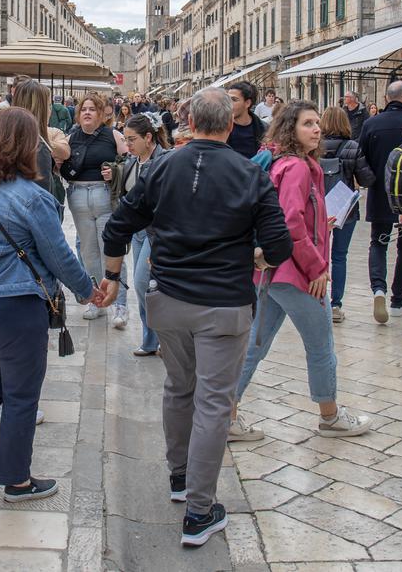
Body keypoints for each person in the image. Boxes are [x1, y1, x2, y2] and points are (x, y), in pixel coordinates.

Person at [101, 88, 292, 547]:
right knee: (213, 402)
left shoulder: (162, 166)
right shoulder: (250, 174)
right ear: (230, 125)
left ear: (190, 122)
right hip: (224, 303)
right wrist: (257, 259)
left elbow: (117, 227)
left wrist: (112, 277)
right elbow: (281, 245)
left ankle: (180, 477)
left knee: (178, 387)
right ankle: (199, 512)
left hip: (167, 298)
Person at [0, 107, 97, 502]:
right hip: (13, 308)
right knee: (19, 396)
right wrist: (87, 290)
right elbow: (59, 256)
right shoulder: (33, 197)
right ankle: (16, 481)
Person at [229, 100, 372, 444]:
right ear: (291, 128)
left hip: (272, 272)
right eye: (308, 123)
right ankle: (331, 417)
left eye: (317, 122)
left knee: (254, 345)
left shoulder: (285, 163)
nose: (316, 129)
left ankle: (225, 414)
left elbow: (290, 217)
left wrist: (322, 221)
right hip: (296, 274)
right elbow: (291, 224)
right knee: (320, 344)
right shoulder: (296, 168)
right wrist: (317, 267)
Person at [62, 92, 128, 323]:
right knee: (88, 254)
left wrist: (116, 171)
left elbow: (129, 161)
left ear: (101, 114)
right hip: (78, 195)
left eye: (92, 109)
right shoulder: (71, 138)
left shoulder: (113, 135)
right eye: (83, 109)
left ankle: (120, 305)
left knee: (110, 252)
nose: (87, 113)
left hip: (104, 195)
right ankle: (97, 302)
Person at [358, 81, 402, 323]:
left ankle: (379, 289)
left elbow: (361, 157)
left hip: (380, 192)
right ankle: (398, 301)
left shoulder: (371, 123)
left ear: (387, 99)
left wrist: (371, 180)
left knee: (378, 242)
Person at [120, 112, 171, 357]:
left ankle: (165, 336)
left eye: (131, 139)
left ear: (148, 137)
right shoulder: (132, 161)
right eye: (126, 139)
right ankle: (151, 339)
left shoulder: (164, 161)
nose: (127, 144)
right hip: (138, 233)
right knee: (145, 287)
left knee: (142, 283)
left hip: (155, 232)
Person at [318, 105, 375, 322]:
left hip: (319, 209)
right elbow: (368, 178)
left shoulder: (315, 146)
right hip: (344, 208)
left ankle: (318, 299)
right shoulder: (352, 147)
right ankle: (335, 305)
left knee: (320, 255)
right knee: (339, 256)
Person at [12, 78, 71, 206]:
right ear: (40, 109)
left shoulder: (0, 137)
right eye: (49, 106)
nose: (50, 111)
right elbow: (41, 200)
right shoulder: (38, 146)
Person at [225, 81, 266, 159]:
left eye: (234, 100)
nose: (228, 103)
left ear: (247, 103)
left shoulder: (264, 129)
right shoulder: (219, 128)